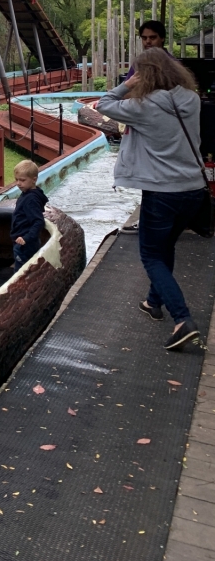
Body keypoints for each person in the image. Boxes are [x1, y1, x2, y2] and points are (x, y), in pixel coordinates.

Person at [96, 47, 205, 349]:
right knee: (165, 246)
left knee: (151, 255)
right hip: (193, 190)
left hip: (161, 192)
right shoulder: (192, 99)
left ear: (144, 75)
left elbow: (103, 104)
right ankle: (153, 302)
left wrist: (126, 84)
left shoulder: (142, 106)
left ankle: (182, 319)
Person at [10, 159, 48, 270]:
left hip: (25, 243)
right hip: (21, 240)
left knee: (21, 270)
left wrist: (26, 238)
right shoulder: (28, 194)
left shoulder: (31, 199)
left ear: (34, 180)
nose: (18, 183)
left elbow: (38, 221)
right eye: (16, 179)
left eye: (22, 180)